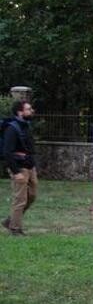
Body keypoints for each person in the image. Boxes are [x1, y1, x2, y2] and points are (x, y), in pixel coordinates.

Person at [2, 100, 37, 236]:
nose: (32, 110)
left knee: (32, 195)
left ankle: (11, 220)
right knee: (20, 199)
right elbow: (7, 152)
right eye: (28, 109)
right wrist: (16, 172)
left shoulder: (25, 125)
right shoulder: (12, 128)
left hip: (30, 166)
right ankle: (15, 229)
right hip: (19, 168)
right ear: (20, 112)